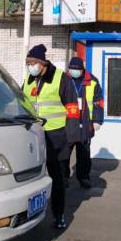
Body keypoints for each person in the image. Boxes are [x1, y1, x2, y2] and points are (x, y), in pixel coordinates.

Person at [23, 44, 80, 229]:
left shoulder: (61, 78)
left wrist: (72, 134)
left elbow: (72, 107)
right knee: (31, 178)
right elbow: (22, 104)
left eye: (32, 63)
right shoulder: (28, 80)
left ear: (42, 63)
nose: (30, 67)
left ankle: (58, 214)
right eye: (27, 63)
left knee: (58, 178)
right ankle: (28, 214)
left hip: (57, 137)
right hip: (34, 136)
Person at [66, 56, 104, 189]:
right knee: (65, 152)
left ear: (82, 70)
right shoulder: (65, 79)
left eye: (77, 69)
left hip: (86, 122)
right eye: (71, 69)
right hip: (68, 122)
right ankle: (63, 177)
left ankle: (83, 177)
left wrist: (97, 120)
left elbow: (98, 102)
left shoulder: (92, 81)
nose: (74, 71)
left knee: (84, 153)